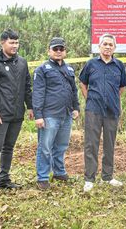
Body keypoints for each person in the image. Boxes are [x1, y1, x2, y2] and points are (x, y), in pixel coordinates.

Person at [0, 29, 33, 201]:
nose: (15, 46)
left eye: (17, 42)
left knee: (9, 147)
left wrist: (30, 107)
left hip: (17, 113)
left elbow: (27, 85)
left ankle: (3, 179)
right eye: (11, 42)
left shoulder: (22, 62)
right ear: (2, 43)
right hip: (0, 115)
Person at [79, 33, 126, 192]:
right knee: (91, 144)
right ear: (99, 47)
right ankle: (89, 178)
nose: (107, 47)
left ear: (114, 48)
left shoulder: (119, 65)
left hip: (112, 110)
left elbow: (122, 88)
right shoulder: (91, 64)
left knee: (109, 144)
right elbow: (83, 84)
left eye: (110, 44)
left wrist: (112, 99)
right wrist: (91, 99)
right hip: (93, 109)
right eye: (105, 44)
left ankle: (107, 176)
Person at [33, 37, 80, 190]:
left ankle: (59, 172)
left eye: (61, 49)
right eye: (55, 49)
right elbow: (38, 93)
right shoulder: (42, 69)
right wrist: (38, 115)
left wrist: (76, 108)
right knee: (45, 147)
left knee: (61, 146)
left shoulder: (69, 69)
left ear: (65, 51)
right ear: (49, 51)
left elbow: (74, 90)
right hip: (49, 115)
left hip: (66, 115)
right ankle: (42, 177)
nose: (58, 51)